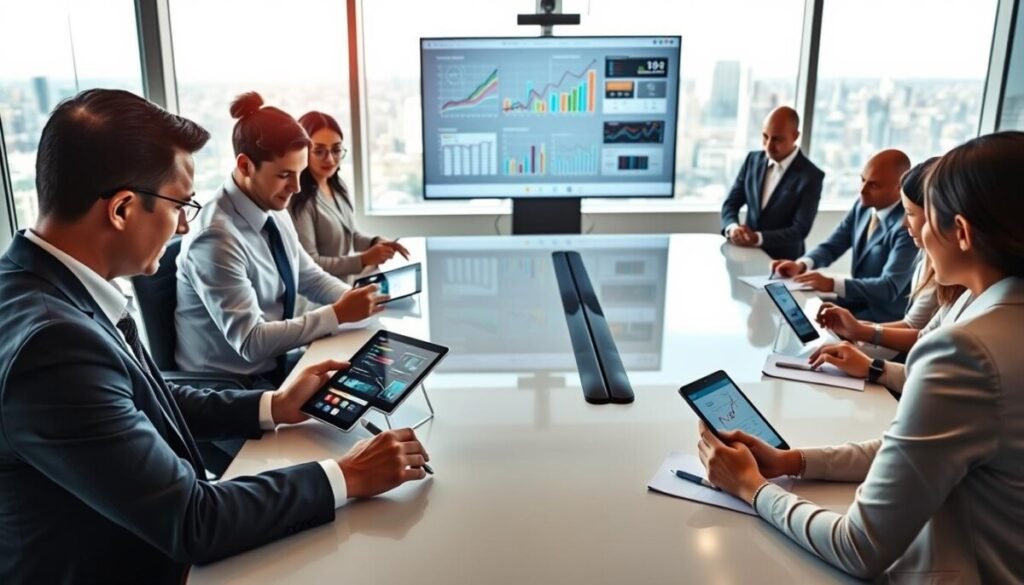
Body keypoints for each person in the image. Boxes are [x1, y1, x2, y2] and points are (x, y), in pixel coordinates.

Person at [0, 89, 429, 583]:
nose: (184, 222)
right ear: (121, 209)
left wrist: (272, 406)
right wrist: (347, 475)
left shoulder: (49, 288)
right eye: (180, 204)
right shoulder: (52, 347)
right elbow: (193, 519)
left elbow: (145, 397)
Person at [699, 131, 1024, 582]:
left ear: (963, 232)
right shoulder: (987, 313)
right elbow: (915, 453)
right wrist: (792, 461)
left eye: (926, 219)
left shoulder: (964, 350)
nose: (919, 236)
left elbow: (859, 546)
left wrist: (752, 488)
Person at [176, 92, 382, 385]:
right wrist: (337, 314)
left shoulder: (272, 206)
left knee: (369, 375)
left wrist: (353, 301)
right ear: (246, 166)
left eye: (299, 173)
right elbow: (250, 342)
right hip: (230, 385)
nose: (296, 187)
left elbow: (309, 276)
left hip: (277, 362)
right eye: (285, 174)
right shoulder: (215, 238)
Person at [815, 158, 966, 356]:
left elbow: (919, 336)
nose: (904, 223)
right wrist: (857, 330)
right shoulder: (929, 258)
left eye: (910, 213)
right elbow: (919, 330)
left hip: (892, 329)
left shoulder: (948, 271)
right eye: (862, 180)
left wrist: (861, 337)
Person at [771, 149, 918, 323]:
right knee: (789, 309)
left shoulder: (907, 226)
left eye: (873, 185)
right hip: (854, 304)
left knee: (808, 325)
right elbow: (833, 245)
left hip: (883, 318)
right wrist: (801, 264)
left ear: (899, 187)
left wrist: (831, 284)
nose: (862, 190)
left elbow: (889, 287)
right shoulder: (863, 206)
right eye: (862, 180)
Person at [289, 110, 408, 280]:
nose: (330, 159)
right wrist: (363, 260)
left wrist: (375, 242)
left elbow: (350, 235)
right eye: (319, 151)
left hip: (345, 290)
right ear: (303, 152)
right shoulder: (298, 199)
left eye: (336, 150)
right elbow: (310, 263)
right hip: (319, 299)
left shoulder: (337, 186)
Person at [720, 106, 824, 260]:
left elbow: (800, 229)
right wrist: (733, 228)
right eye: (765, 136)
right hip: (746, 258)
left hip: (784, 265)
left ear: (795, 136)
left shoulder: (811, 176)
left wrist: (756, 237)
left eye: (777, 139)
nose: (768, 145)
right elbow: (731, 204)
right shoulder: (752, 161)